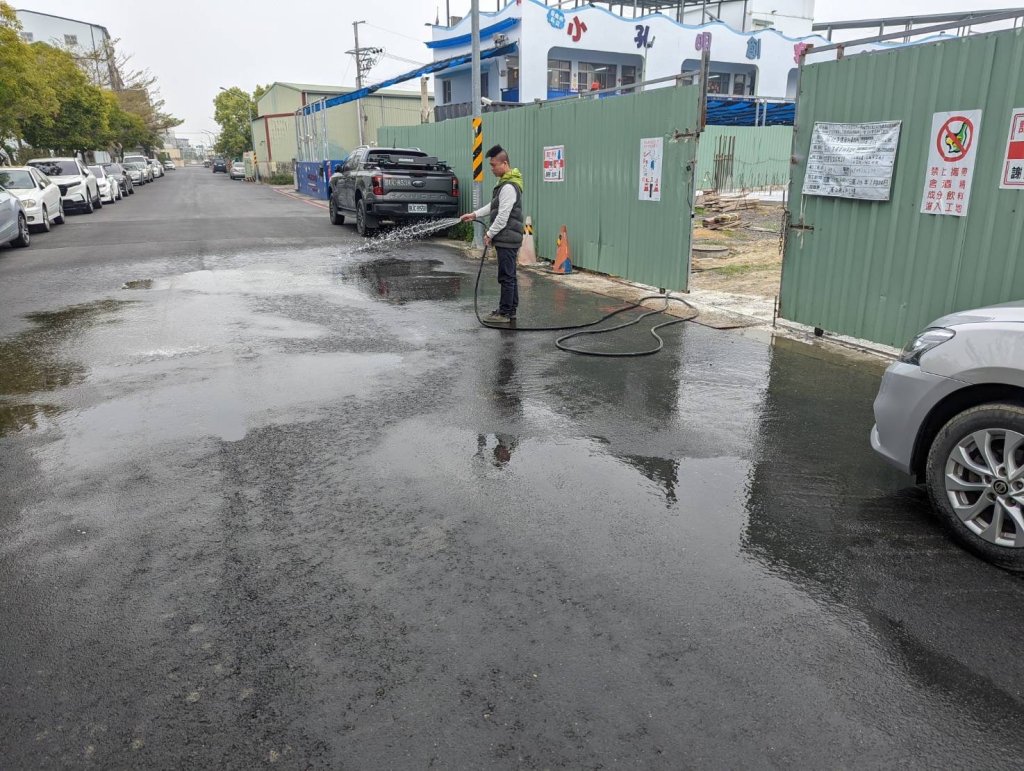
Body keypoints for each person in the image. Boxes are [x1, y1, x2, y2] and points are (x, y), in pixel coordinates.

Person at [460, 145, 524, 325]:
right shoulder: (505, 184)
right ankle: (510, 310)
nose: (491, 168)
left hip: (507, 238)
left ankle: (504, 312)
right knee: (509, 275)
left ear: (504, 164)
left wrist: (489, 233)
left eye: (494, 165)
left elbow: (503, 216)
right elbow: (493, 206)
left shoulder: (509, 187)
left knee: (506, 276)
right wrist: (474, 215)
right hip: (507, 237)